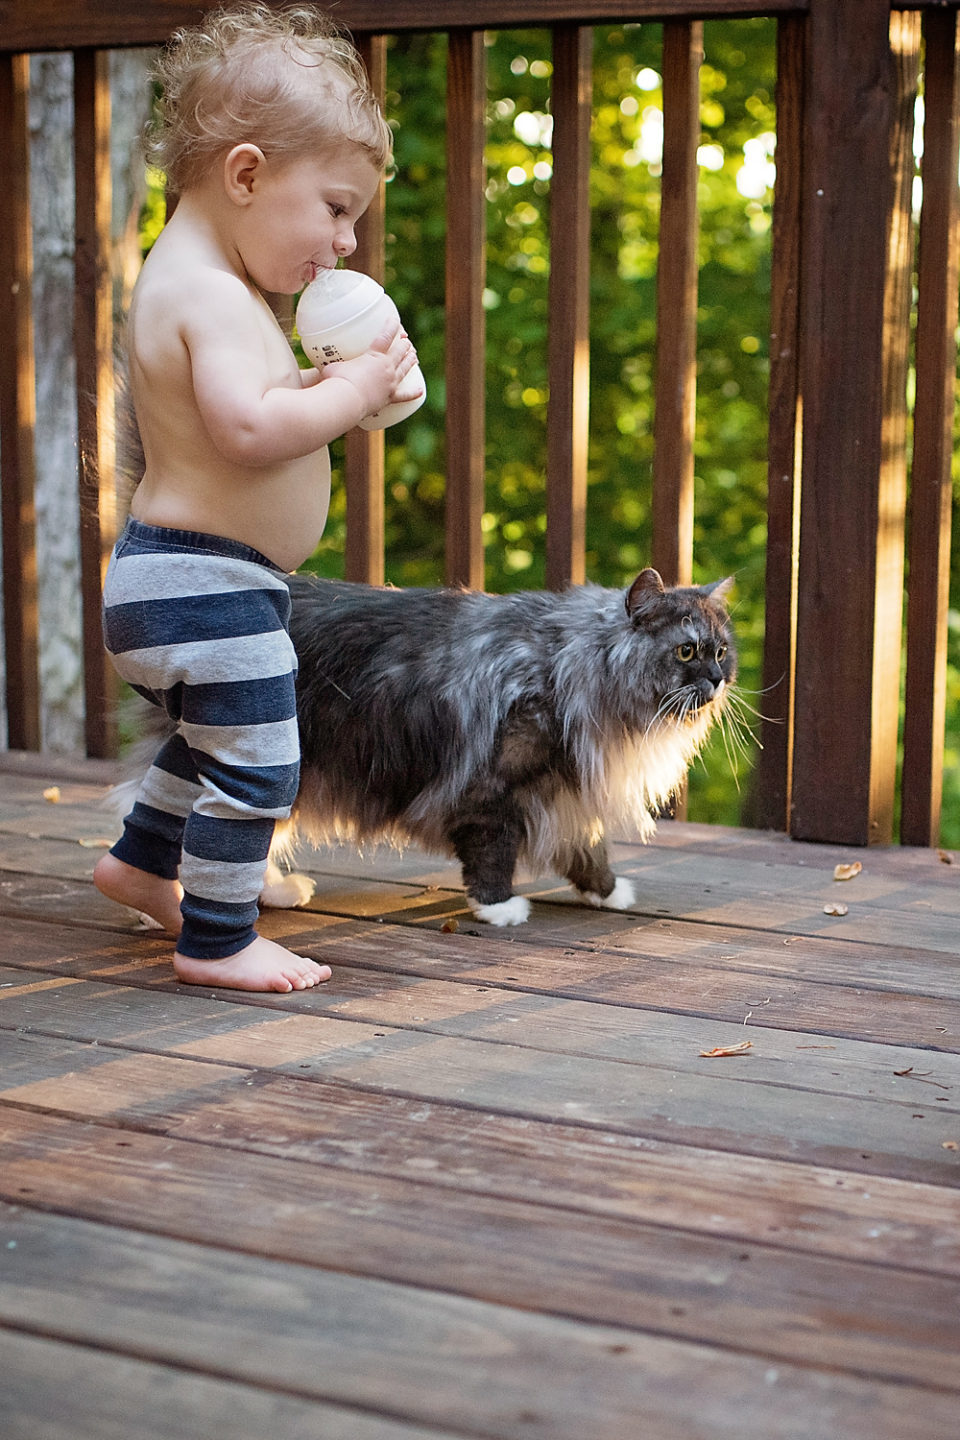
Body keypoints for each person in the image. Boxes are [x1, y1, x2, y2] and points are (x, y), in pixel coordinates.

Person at [93, 2, 421, 992]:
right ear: (245, 175)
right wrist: (348, 392)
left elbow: (263, 411)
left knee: (210, 740)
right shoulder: (211, 295)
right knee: (265, 767)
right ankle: (219, 938)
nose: (350, 239)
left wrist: (352, 393)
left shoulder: (203, 283)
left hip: (195, 582)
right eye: (333, 206)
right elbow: (245, 427)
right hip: (201, 585)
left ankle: (144, 865)